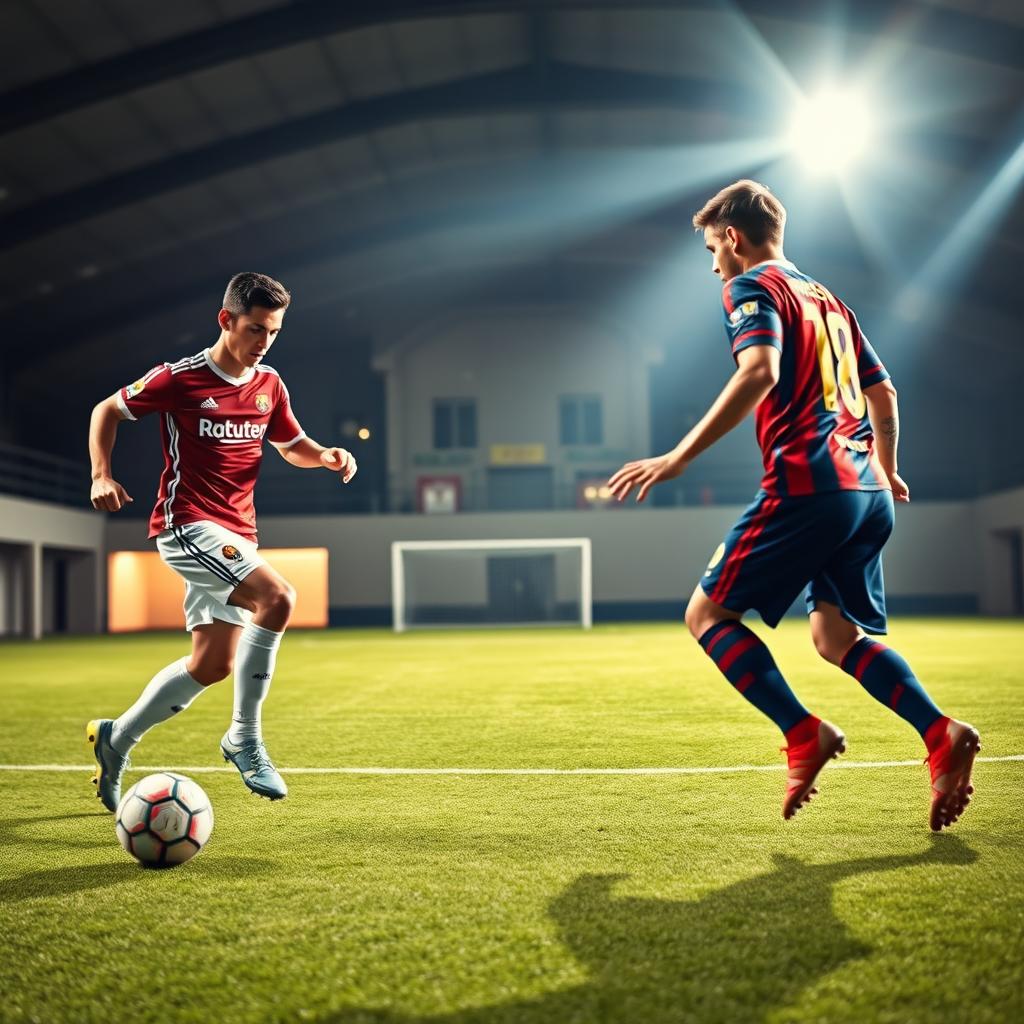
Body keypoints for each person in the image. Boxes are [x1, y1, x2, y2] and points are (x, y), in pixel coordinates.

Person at [608, 180, 979, 830]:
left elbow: (759, 371)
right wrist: (887, 471)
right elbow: (884, 394)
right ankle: (939, 732)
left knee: (706, 614)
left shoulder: (752, 287)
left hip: (812, 484)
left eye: (710, 246)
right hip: (867, 493)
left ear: (733, 236)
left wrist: (678, 459)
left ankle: (803, 732)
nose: (712, 261)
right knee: (835, 637)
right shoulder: (830, 300)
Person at [87, 271, 357, 811]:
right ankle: (244, 738)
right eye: (256, 329)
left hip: (238, 534)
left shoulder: (269, 385)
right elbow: (107, 411)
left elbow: (291, 443)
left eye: (274, 332)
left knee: (212, 665)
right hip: (185, 525)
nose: (264, 342)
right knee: (278, 597)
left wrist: (324, 454)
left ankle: (117, 739)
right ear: (226, 320)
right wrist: (100, 473)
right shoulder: (179, 379)